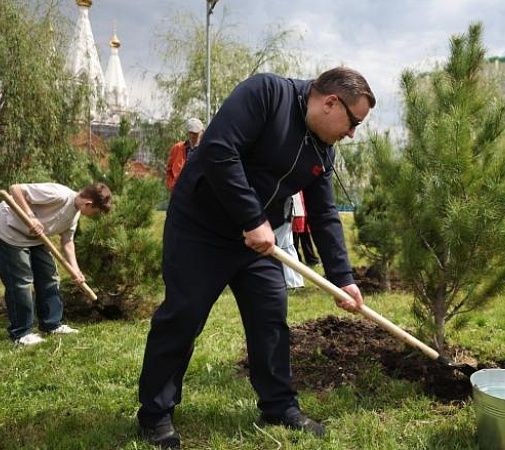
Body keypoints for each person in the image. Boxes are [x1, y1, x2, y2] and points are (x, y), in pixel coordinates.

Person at [137, 66, 375, 448]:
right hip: (202, 229)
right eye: (354, 123)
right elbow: (218, 150)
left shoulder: (322, 149)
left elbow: (325, 213)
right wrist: (252, 218)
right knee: (183, 316)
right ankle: (155, 413)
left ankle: (279, 406)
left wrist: (341, 278)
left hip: (259, 243)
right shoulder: (266, 94)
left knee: (270, 319)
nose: (351, 133)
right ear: (331, 102)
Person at [0, 182, 112, 346]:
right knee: (21, 282)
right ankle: (21, 333)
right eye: (96, 212)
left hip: (35, 238)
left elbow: (67, 242)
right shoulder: (59, 194)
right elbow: (15, 189)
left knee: (49, 276)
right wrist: (31, 216)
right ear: (89, 204)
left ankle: (52, 324)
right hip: (9, 231)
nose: (94, 215)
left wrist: (76, 271)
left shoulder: (75, 213)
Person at [165, 118, 204, 192]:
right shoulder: (177, 148)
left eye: (195, 133)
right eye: (190, 132)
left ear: (201, 132)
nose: (192, 135)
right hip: (179, 192)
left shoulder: (204, 150)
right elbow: (169, 169)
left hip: (197, 192)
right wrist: (171, 185)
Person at [292, 191, 320, 266]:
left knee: (305, 235)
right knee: (294, 237)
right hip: (294, 209)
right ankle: (296, 258)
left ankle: (311, 259)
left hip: (302, 208)